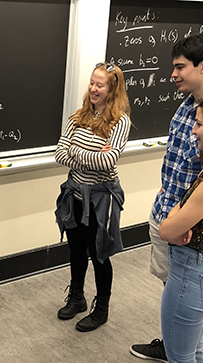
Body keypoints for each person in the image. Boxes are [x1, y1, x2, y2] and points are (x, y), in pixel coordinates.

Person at [127, 90, 203, 363]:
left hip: (191, 272)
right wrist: (180, 223)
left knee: (180, 356)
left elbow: (169, 228)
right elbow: (179, 224)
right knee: (193, 347)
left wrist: (177, 223)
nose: (194, 130)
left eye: (200, 124)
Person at [54, 62, 131, 332]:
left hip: (100, 199)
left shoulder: (120, 122)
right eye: (92, 83)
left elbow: (109, 161)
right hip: (74, 194)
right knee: (76, 248)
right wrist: (93, 155)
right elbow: (59, 154)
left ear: (112, 89)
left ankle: (102, 309)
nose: (94, 88)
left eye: (100, 84)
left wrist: (77, 152)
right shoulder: (78, 117)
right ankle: (77, 297)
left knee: (99, 253)